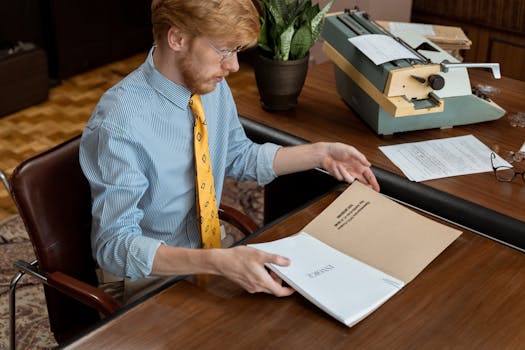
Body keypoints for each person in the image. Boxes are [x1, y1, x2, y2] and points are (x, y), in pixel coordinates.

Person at [79, 0, 380, 302]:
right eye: (224, 50)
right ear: (177, 39)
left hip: (206, 256)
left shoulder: (208, 84)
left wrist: (320, 154)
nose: (234, 66)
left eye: (236, 52)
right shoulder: (119, 125)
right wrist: (216, 262)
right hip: (144, 279)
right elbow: (114, 247)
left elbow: (238, 155)